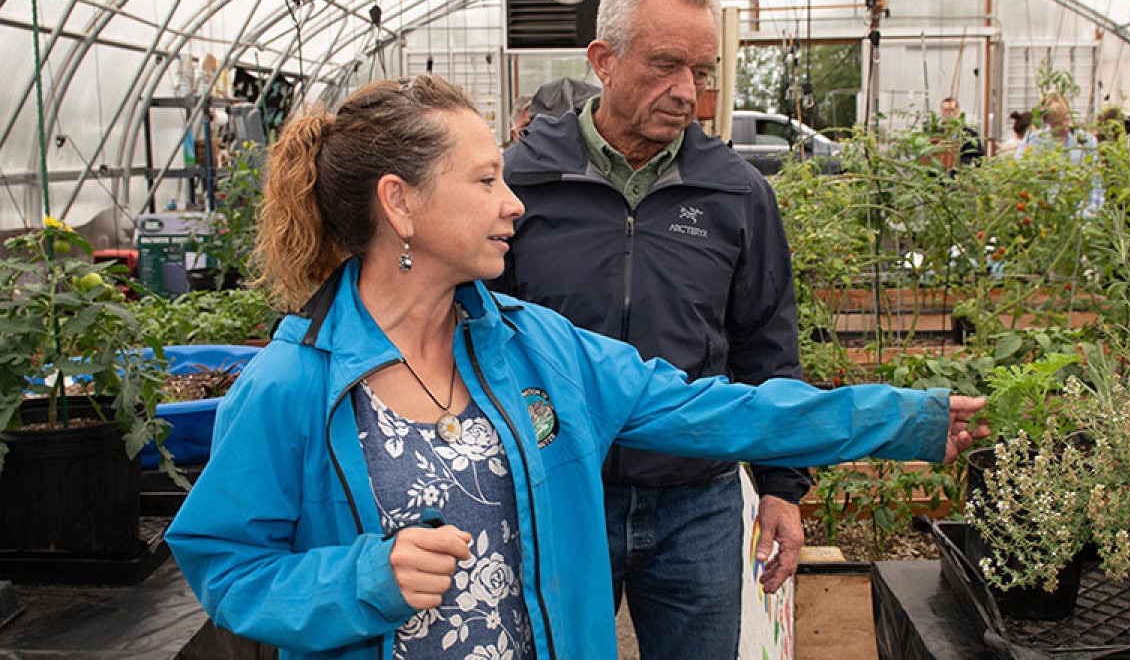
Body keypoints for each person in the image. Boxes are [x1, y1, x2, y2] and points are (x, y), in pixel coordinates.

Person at [162, 74, 987, 660]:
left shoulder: (541, 349)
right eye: (485, 179)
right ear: (399, 201)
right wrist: (364, 575)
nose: (513, 201)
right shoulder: (293, 383)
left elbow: (726, 411)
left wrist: (904, 418)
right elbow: (228, 566)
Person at [493, 0, 802, 660]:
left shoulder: (736, 193)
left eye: (702, 70)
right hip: (558, 492)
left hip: (697, 500)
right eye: (666, 65)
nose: (688, 91)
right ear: (604, 60)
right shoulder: (521, 181)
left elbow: (767, 345)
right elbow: (477, 335)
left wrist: (782, 487)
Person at [1020, 93, 1104, 214]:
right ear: (1046, 120)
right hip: (1044, 212)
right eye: (1057, 122)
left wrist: (1092, 211)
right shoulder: (1035, 140)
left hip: (1079, 212)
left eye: (1065, 119)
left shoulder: (1086, 141)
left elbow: (1095, 179)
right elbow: (1020, 170)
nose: (1064, 126)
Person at [940, 95, 985, 164]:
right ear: (941, 112)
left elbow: (980, 158)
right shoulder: (936, 134)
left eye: (952, 110)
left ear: (958, 112)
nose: (949, 113)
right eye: (946, 110)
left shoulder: (971, 134)